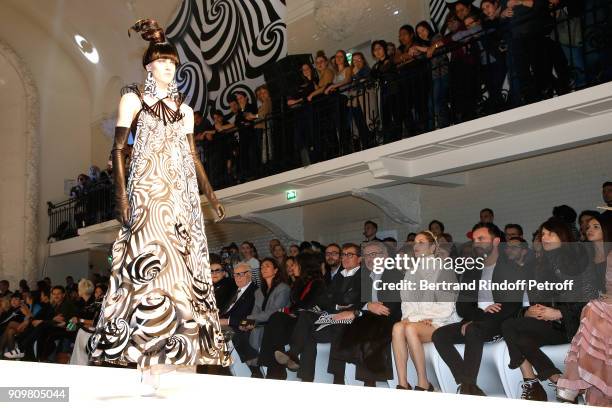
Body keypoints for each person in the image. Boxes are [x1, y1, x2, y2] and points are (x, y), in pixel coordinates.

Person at [88, 19, 230, 393]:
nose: (169, 67)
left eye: (173, 62)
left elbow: (193, 156)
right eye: (162, 61)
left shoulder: (185, 109)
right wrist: (121, 195)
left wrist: (211, 194)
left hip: (180, 193)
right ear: (149, 65)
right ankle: (143, 350)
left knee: (180, 268)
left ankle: (172, 350)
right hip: (147, 188)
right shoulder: (133, 98)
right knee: (146, 263)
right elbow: (118, 149)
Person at [432, 222, 526, 396]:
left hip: (500, 323)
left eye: (481, 238)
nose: (476, 243)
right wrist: (478, 316)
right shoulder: (473, 269)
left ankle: (467, 388)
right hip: (477, 320)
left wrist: (478, 320)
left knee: (473, 330)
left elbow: (512, 306)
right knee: (439, 335)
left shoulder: (511, 268)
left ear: (496, 241)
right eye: (474, 239)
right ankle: (466, 384)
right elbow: (462, 306)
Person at [501, 218, 588, 401]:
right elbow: (533, 301)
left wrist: (560, 313)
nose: (545, 238)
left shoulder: (578, 262)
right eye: (543, 234)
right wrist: (528, 312)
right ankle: (557, 380)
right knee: (521, 338)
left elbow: (589, 301)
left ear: (563, 237)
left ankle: (533, 382)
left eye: (551, 233)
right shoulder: (540, 265)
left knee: (509, 326)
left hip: (571, 326)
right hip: (548, 325)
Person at [392, 231, 460, 390]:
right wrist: (410, 317)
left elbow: (447, 307)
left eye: (421, 242)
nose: (416, 246)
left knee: (409, 328)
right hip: (419, 321)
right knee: (397, 327)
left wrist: (417, 317)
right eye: (415, 242)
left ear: (433, 247)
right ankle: (402, 383)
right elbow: (407, 303)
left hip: (441, 321)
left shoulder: (444, 269)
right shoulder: (411, 272)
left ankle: (423, 382)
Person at [556, 219, 612, 405]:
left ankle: (573, 383)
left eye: (596, 226)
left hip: (604, 308)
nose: (589, 229)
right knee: (591, 308)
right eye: (587, 227)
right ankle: (585, 385)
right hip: (598, 311)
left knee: (593, 308)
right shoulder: (587, 255)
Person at [258, 253, 326, 379]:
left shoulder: (318, 283)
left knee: (276, 320)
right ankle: (275, 370)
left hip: (308, 324)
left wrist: (290, 311)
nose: (292, 268)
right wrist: (289, 311)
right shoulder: (298, 283)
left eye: (294, 264)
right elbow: (296, 306)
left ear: (303, 266)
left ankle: (275, 371)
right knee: (275, 318)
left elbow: (308, 305)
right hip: (296, 321)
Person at [231, 258, 290, 378]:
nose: (263, 269)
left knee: (254, 329)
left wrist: (248, 319)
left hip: (278, 325)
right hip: (261, 324)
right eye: (262, 267)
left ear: (276, 270)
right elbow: (255, 312)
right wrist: (245, 323)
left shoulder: (283, 288)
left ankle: (267, 371)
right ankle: (255, 369)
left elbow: (273, 313)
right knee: (238, 332)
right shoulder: (258, 292)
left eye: (267, 266)